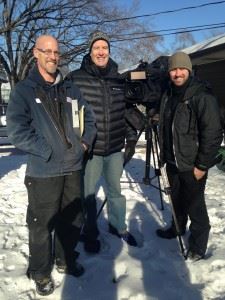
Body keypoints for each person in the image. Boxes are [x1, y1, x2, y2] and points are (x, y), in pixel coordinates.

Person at [6, 35, 96, 296]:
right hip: (44, 171)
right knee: (41, 225)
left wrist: (84, 145)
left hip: (72, 170)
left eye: (56, 52)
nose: (53, 56)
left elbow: (89, 119)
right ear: (36, 53)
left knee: (72, 220)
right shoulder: (24, 90)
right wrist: (47, 151)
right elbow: (16, 130)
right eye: (47, 51)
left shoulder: (70, 89)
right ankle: (41, 271)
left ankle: (65, 260)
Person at [67, 31, 138, 254]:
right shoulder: (75, 78)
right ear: (90, 51)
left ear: (109, 51)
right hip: (91, 149)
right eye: (96, 47)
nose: (101, 51)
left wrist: (131, 137)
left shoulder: (118, 78)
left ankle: (118, 226)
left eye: (104, 48)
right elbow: (67, 113)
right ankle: (89, 231)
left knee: (115, 191)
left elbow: (124, 111)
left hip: (114, 148)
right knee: (88, 194)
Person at [156, 51, 223, 261]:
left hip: (192, 164)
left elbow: (213, 133)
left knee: (195, 206)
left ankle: (198, 245)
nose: (177, 73)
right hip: (172, 161)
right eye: (173, 69)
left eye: (181, 69)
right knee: (176, 201)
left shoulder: (201, 96)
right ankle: (177, 228)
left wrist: (202, 165)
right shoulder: (168, 95)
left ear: (189, 70)